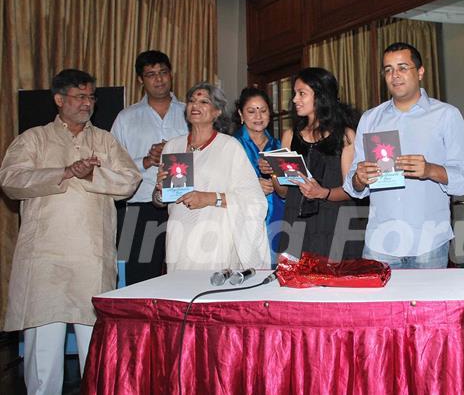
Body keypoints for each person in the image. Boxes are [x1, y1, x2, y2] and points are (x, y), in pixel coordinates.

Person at [0, 69, 141, 394]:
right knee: (43, 355)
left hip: (91, 258)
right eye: (80, 96)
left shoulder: (104, 140)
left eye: (91, 97)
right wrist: (64, 172)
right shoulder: (33, 138)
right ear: (59, 99)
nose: (87, 103)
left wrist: (91, 176)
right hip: (44, 260)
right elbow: (11, 180)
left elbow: (130, 181)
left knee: (95, 348)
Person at [344, 42, 464, 268]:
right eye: (388, 69)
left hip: (429, 241)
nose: (394, 75)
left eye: (403, 67)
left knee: (427, 305)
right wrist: (359, 178)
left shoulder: (446, 115)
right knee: (379, 305)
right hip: (380, 242)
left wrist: (431, 170)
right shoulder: (370, 119)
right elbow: (353, 183)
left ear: (420, 72)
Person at [154, 82, 270, 271]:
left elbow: (253, 199)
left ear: (217, 111)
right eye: (192, 101)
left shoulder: (229, 147)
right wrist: (160, 190)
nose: (195, 105)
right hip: (178, 236)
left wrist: (209, 198)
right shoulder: (172, 147)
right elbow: (160, 201)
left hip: (214, 238)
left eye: (204, 102)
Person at [261, 68, 364, 261]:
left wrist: (322, 192)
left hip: (334, 224)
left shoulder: (345, 135)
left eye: (301, 93)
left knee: (332, 288)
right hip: (295, 222)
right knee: (292, 286)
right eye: (294, 94)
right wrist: (274, 172)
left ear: (321, 96)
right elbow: (284, 192)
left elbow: (351, 190)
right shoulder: (290, 136)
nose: (294, 99)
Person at [111, 50, 188, 284]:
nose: (159, 79)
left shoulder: (190, 112)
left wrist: (174, 152)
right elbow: (112, 166)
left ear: (171, 74)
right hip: (138, 207)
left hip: (185, 205)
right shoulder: (126, 118)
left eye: (163, 72)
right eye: (151, 74)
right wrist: (147, 161)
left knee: (186, 276)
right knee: (139, 280)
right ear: (140, 80)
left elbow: (206, 154)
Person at [233, 87, 285, 265]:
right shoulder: (231, 145)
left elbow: (291, 187)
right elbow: (220, 184)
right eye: (251, 111)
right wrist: (253, 186)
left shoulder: (279, 145)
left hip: (277, 216)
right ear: (241, 114)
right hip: (243, 217)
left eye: (263, 110)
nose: (258, 116)